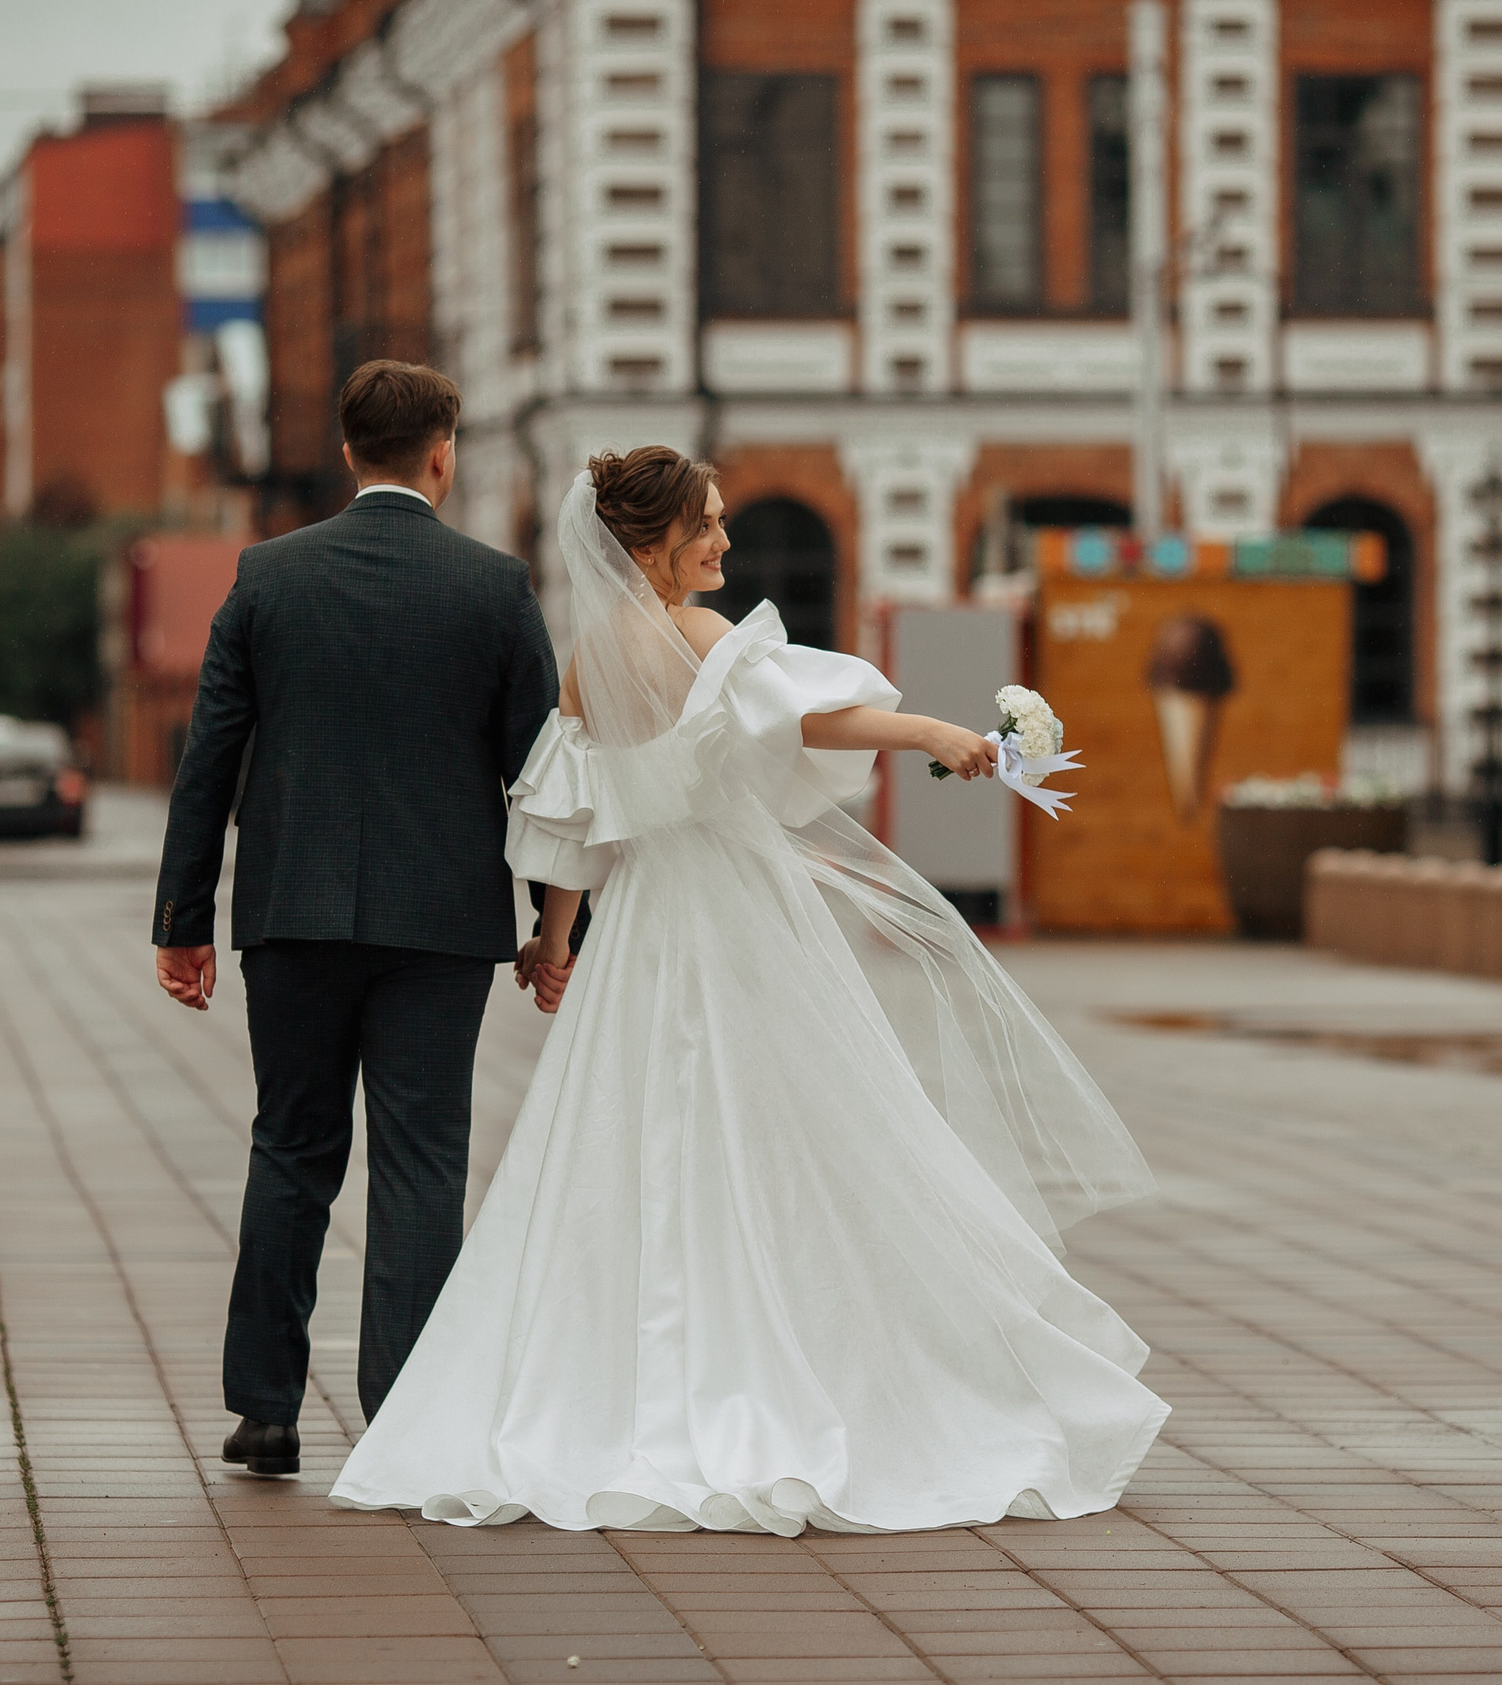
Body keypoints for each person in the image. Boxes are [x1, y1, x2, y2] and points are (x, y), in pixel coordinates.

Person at [330, 448, 1167, 1534]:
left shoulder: (588, 660)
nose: (723, 544)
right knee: (805, 1128)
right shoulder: (691, 633)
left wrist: (554, 940)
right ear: (651, 543)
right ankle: (790, 1362)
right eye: (707, 528)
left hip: (643, 929)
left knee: (631, 1143)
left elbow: (573, 824)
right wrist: (932, 731)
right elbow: (802, 720)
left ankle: (623, 1381)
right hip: (733, 908)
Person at [150, 360, 558, 1477]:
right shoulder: (494, 586)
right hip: (441, 924)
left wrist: (182, 916)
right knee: (423, 1160)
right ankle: (404, 1415)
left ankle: (265, 1408)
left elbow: (209, 761)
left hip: (293, 913)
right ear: (442, 453)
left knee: (290, 1148)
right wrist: (552, 922)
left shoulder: (269, 577)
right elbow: (539, 772)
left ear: (345, 453)